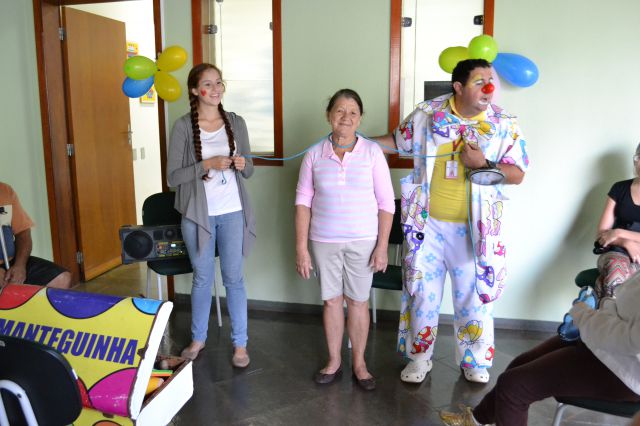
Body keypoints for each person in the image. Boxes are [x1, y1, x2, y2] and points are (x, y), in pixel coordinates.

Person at [376, 59, 530, 384]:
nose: (489, 87)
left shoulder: (503, 123)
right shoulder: (427, 114)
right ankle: (419, 358)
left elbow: (518, 174)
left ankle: (474, 361)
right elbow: (396, 141)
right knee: (421, 294)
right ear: (458, 87)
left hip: (475, 231)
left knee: (473, 298)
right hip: (427, 226)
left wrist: (483, 163)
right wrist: (355, 140)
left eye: (490, 80)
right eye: (479, 81)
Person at [439, 271, 640, 426]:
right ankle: (475, 421)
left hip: (622, 368)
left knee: (513, 388)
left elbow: (630, 340)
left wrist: (584, 315)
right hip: (603, 339)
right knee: (520, 364)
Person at [295, 89, 395, 390]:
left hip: (363, 240)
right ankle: (334, 361)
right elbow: (303, 202)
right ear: (329, 115)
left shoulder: (372, 152)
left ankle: (359, 364)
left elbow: (386, 203)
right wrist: (301, 248)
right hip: (324, 240)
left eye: (353, 112)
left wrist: (382, 247)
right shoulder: (314, 154)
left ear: (360, 118)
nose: (346, 117)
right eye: (339, 110)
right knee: (331, 301)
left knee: (358, 301)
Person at [167, 63, 256, 367]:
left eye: (219, 82)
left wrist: (243, 164)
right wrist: (208, 164)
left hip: (232, 212)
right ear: (195, 90)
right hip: (197, 215)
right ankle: (198, 339)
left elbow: (250, 170)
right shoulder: (183, 126)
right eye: (208, 84)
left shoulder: (236, 122)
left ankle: (240, 345)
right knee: (202, 278)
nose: (216, 89)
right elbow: (173, 177)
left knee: (234, 278)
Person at [0, 182, 72, 290]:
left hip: (10, 261)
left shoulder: (5, 190)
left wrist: (20, 265)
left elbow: (23, 232)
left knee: (62, 279)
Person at [593, 144, 640, 299]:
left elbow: (612, 233)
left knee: (622, 282)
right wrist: (626, 243)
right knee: (617, 270)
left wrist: (619, 232)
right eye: (639, 158)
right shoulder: (619, 188)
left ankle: (596, 301)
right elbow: (602, 235)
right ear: (635, 160)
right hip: (616, 252)